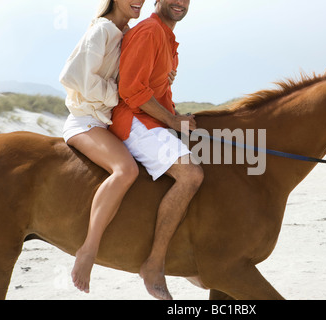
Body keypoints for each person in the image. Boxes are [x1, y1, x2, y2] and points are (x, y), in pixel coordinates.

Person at [59, 0, 175, 294]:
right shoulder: (102, 30)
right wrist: (119, 95)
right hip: (85, 121)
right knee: (125, 170)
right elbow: (72, 77)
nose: (139, 1)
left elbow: (135, 77)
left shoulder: (126, 32)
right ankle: (88, 250)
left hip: (104, 122)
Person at [109, 0, 203, 300]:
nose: (180, 2)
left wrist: (174, 118)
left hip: (153, 119)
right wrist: (173, 120)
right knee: (190, 175)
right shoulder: (149, 31)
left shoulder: (168, 37)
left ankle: (189, 255)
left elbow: (158, 89)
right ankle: (154, 264)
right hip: (133, 120)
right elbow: (131, 90)